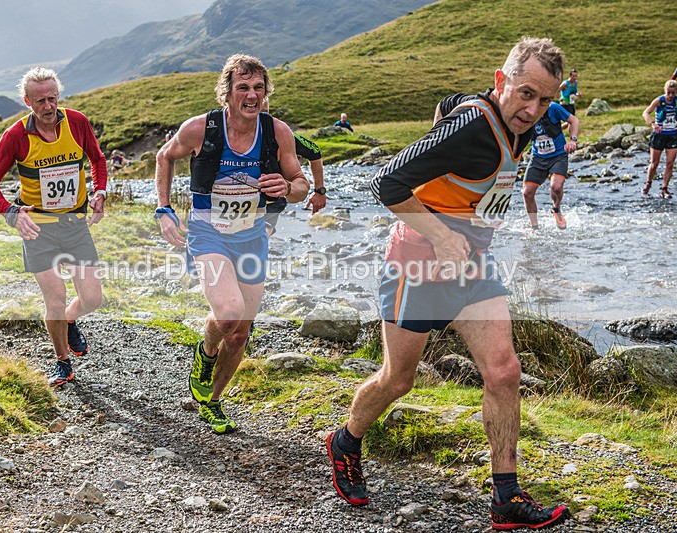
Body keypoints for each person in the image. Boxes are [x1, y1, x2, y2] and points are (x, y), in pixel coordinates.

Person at [327, 37, 571, 531]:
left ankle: (506, 495)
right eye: (525, 94)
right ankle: (346, 440)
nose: (534, 109)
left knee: (504, 371)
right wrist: (439, 235)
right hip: (417, 260)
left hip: (473, 263)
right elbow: (386, 181)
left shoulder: (517, 119)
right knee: (398, 379)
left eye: (545, 100)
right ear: (502, 81)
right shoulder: (472, 128)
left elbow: (450, 105)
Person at [155, 54, 308, 434]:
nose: (252, 95)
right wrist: (164, 209)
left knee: (240, 333)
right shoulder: (200, 129)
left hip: (253, 236)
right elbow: (164, 156)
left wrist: (288, 189)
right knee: (228, 314)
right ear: (227, 93)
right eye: (243, 87)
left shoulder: (278, 133)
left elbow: (301, 186)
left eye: (258, 88)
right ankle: (206, 353)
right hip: (208, 233)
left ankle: (213, 400)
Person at [0, 67, 107, 387]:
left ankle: (68, 321)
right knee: (56, 296)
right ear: (27, 102)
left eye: (52, 98)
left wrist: (100, 192)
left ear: (59, 96)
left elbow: (98, 160)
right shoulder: (16, 136)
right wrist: (11, 213)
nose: (48, 107)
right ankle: (62, 361)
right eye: (40, 101)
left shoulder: (77, 122)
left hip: (75, 224)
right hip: (37, 228)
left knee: (92, 298)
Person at [261, 99, 327, 234]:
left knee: (255, 246)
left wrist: (319, 191)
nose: (259, 119)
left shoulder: (279, 133)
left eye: (264, 113)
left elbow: (313, 150)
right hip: (226, 203)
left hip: (272, 199)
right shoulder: (219, 131)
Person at [522, 101, 580, 229]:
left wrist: (572, 140)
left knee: (556, 187)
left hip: (558, 155)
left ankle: (556, 209)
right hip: (537, 157)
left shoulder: (552, 107)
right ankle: (534, 227)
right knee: (527, 193)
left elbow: (574, 120)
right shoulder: (524, 110)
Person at [642, 79, 677, 198]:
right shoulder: (659, 100)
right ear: (665, 90)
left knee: (670, 163)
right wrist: (653, 124)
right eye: (668, 92)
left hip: (672, 135)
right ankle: (648, 183)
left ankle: (664, 189)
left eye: (673, 93)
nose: (670, 96)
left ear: (676, 92)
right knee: (655, 163)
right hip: (659, 135)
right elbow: (645, 113)